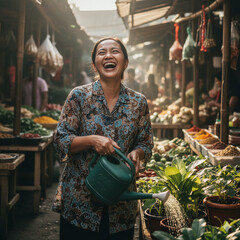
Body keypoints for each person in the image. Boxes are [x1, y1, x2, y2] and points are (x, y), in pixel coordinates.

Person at [53, 37, 153, 240]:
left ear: (125, 62)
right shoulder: (78, 96)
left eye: (115, 51)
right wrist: (92, 140)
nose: (108, 55)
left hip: (120, 205)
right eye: (102, 52)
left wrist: (137, 153)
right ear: (94, 64)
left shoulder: (138, 102)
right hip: (80, 203)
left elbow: (146, 142)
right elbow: (61, 140)